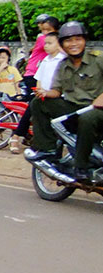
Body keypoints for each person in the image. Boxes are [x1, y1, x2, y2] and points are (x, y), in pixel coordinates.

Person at [25, 21, 103, 181]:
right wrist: (46, 93)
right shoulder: (63, 65)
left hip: (97, 112)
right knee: (38, 103)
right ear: (62, 44)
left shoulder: (98, 60)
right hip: (74, 109)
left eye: (78, 39)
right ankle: (47, 149)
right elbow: (57, 91)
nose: (73, 44)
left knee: (88, 119)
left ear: (84, 41)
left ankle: (81, 167)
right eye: (68, 40)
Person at [10, 32, 65, 154]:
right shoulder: (45, 59)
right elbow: (39, 78)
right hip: (42, 96)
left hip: (57, 97)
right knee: (36, 113)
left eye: (50, 43)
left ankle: (21, 136)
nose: (46, 46)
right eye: (45, 43)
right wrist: (39, 90)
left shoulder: (63, 60)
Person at [22, 15, 59, 92]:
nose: (45, 32)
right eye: (43, 30)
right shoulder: (44, 39)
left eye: (48, 30)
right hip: (33, 73)